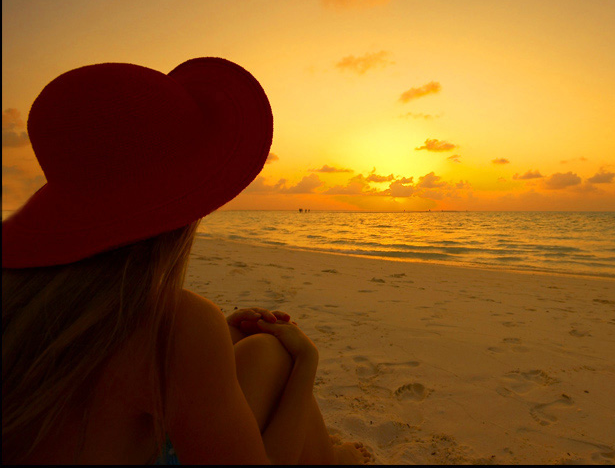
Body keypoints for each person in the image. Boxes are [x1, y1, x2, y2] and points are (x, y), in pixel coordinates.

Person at [2, 58, 373, 464]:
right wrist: (307, 364)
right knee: (290, 368)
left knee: (265, 352)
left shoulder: (27, 297)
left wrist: (217, 344)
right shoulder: (172, 328)